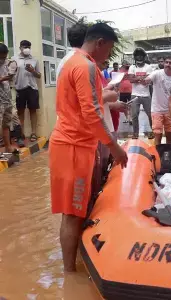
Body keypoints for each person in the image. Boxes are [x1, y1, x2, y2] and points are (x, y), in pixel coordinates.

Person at [50, 22, 128, 272]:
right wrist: (114, 147)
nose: (109, 55)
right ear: (100, 43)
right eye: (109, 49)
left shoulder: (73, 62)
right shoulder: (85, 66)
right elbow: (92, 113)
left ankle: (72, 269)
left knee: (75, 210)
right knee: (73, 214)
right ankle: (70, 275)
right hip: (73, 146)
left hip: (74, 143)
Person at [143, 56, 171, 145]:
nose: (168, 65)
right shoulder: (157, 73)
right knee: (158, 135)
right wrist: (144, 80)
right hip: (157, 110)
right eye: (166, 62)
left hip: (169, 111)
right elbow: (147, 80)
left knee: (169, 134)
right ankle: (158, 156)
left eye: (170, 63)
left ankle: (170, 154)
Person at [13, 40, 41, 143]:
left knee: (33, 110)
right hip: (20, 88)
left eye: (28, 47)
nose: (26, 49)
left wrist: (33, 71)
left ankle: (33, 133)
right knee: (20, 111)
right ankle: (21, 134)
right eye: (24, 47)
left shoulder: (34, 60)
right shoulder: (14, 59)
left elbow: (39, 75)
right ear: (20, 47)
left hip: (32, 88)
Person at [128, 48, 154, 139]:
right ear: (135, 57)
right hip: (135, 95)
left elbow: (148, 80)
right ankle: (135, 134)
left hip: (146, 95)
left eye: (141, 55)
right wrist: (142, 78)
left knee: (151, 115)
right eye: (137, 55)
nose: (139, 57)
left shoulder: (148, 67)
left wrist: (137, 78)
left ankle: (153, 132)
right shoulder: (132, 67)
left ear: (144, 56)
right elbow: (131, 80)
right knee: (134, 115)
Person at [0, 44, 15, 153]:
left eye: (4, 57)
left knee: (6, 123)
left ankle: (8, 147)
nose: (3, 59)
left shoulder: (6, 63)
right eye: (1, 57)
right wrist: (3, 78)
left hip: (6, 97)